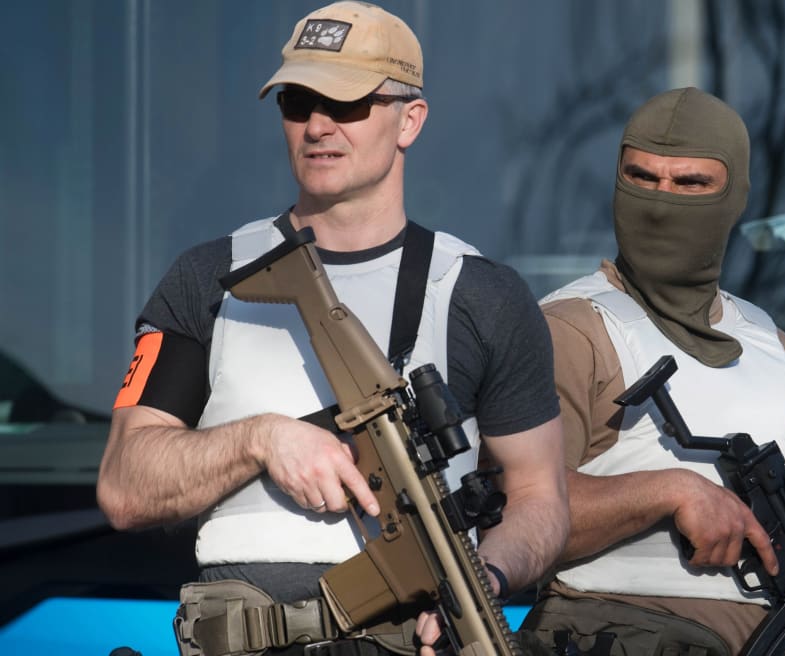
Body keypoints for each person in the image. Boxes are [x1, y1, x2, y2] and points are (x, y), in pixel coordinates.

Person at [95, 2, 568, 655]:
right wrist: (260, 440)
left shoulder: (482, 294)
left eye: (346, 105)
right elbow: (124, 486)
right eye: (297, 102)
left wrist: (483, 579)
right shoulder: (211, 277)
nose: (318, 125)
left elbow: (540, 497)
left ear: (410, 121)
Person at [518, 88, 785, 656]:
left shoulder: (778, 353)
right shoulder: (571, 332)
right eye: (642, 177)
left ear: (736, 195)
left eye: (691, 183)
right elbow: (515, 517)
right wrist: (668, 489)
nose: (660, 203)